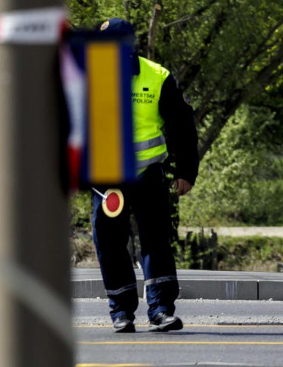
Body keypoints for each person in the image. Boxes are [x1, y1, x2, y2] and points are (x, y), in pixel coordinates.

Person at [92, 18, 200, 334]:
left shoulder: (157, 76)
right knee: (110, 243)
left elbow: (182, 126)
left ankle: (161, 310)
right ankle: (121, 312)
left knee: (155, 240)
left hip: (148, 173)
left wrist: (186, 171)